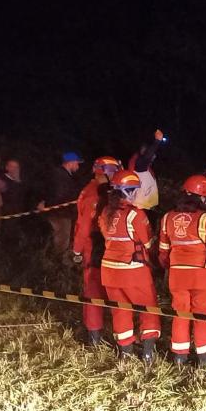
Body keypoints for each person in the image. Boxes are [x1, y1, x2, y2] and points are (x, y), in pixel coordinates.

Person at [158, 175, 206, 367]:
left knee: (180, 313)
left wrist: (172, 268)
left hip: (177, 276)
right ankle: (204, 359)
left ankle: (179, 356)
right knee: (204, 316)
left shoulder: (167, 218)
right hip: (203, 277)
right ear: (203, 198)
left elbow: (163, 253)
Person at [98, 169, 162, 361]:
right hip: (134, 271)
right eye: (135, 190)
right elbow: (148, 243)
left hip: (109, 271)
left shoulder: (105, 212)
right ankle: (148, 352)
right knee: (148, 307)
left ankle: (125, 353)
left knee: (120, 310)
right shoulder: (135, 214)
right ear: (129, 191)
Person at [72, 156, 122, 347]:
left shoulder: (99, 190)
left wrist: (76, 249)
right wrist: (78, 249)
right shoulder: (94, 194)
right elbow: (84, 226)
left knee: (98, 290)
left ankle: (100, 333)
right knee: (95, 291)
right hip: (95, 244)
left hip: (102, 244)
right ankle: (95, 336)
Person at [42, 151, 84, 260]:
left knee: (60, 239)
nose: (78, 166)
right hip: (60, 214)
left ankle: (55, 262)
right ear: (70, 163)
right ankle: (56, 265)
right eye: (77, 163)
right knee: (61, 241)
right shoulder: (61, 176)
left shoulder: (62, 174)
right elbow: (61, 195)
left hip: (60, 213)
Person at [127, 129, 166, 212]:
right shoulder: (140, 165)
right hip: (141, 207)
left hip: (144, 206)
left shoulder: (142, 166)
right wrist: (157, 141)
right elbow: (147, 156)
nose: (153, 157)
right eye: (152, 155)